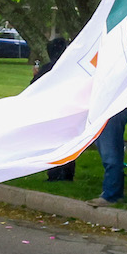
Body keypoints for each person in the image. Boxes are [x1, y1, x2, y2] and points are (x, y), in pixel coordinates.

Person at [42, 33, 77, 180]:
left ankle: (55, 173)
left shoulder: (48, 68)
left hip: (54, 110)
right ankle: (67, 173)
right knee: (68, 142)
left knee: (54, 142)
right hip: (70, 109)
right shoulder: (73, 68)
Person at [87, 107, 127, 207]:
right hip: (101, 108)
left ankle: (112, 195)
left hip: (111, 107)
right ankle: (113, 192)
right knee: (109, 151)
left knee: (110, 153)